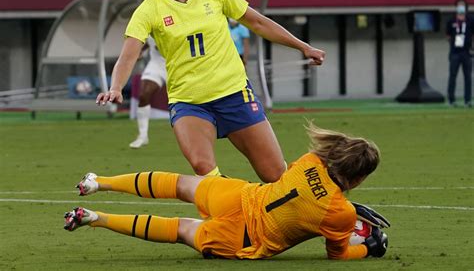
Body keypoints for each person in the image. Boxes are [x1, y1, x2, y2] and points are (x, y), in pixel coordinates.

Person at [95, 0, 325, 182]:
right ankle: (234, 211)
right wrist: (115, 87)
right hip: (190, 102)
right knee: (203, 168)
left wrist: (303, 46)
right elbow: (129, 54)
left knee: (275, 175)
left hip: (234, 93)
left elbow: (258, 22)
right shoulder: (149, 9)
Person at [64, 123, 388, 260]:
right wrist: (370, 247)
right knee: (181, 229)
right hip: (245, 237)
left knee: (181, 185)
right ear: (358, 179)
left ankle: (100, 181)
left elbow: (298, 188)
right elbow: (338, 254)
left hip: (239, 195)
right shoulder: (340, 214)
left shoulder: (311, 160)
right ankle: (97, 218)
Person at [129, 36, 167, 149]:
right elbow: (146, 40)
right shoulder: (149, 20)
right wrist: (140, 50)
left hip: (179, 65)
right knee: (144, 95)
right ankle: (143, 135)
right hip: (157, 64)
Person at [446, 0, 473, 107]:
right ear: (456, 7)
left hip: (467, 52)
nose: (461, 7)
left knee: (468, 77)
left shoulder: (471, 20)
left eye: (462, 5)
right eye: (459, 5)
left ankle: (468, 100)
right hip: (455, 52)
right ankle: (451, 100)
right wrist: (453, 44)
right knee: (452, 76)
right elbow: (448, 36)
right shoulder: (451, 20)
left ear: (466, 7)